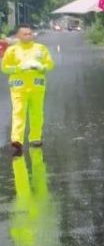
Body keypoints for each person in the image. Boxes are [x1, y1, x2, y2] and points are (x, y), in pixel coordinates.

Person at [3, 25, 55, 155]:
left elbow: (50, 64)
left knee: (36, 113)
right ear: (18, 36)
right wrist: (19, 68)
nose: (28, 36)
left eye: (30, 33)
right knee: (18, 112)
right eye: (25, 34)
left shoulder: (40, 49)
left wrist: (42, 67)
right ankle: (17, 140)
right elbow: (4, 68)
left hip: (37, 86)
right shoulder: (12, 51)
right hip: (18, 87)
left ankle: (35, 137)